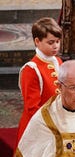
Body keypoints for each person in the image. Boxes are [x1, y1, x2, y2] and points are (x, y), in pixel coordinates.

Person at [17, 16, 63, 144]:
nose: (55, 46)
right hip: (38, 128)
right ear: (37, 41)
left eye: (58, 41)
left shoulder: (58, 61)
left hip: (58, 122)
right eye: (51, 42)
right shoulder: (31, 69)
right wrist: (50, 127)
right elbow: (32, 108)